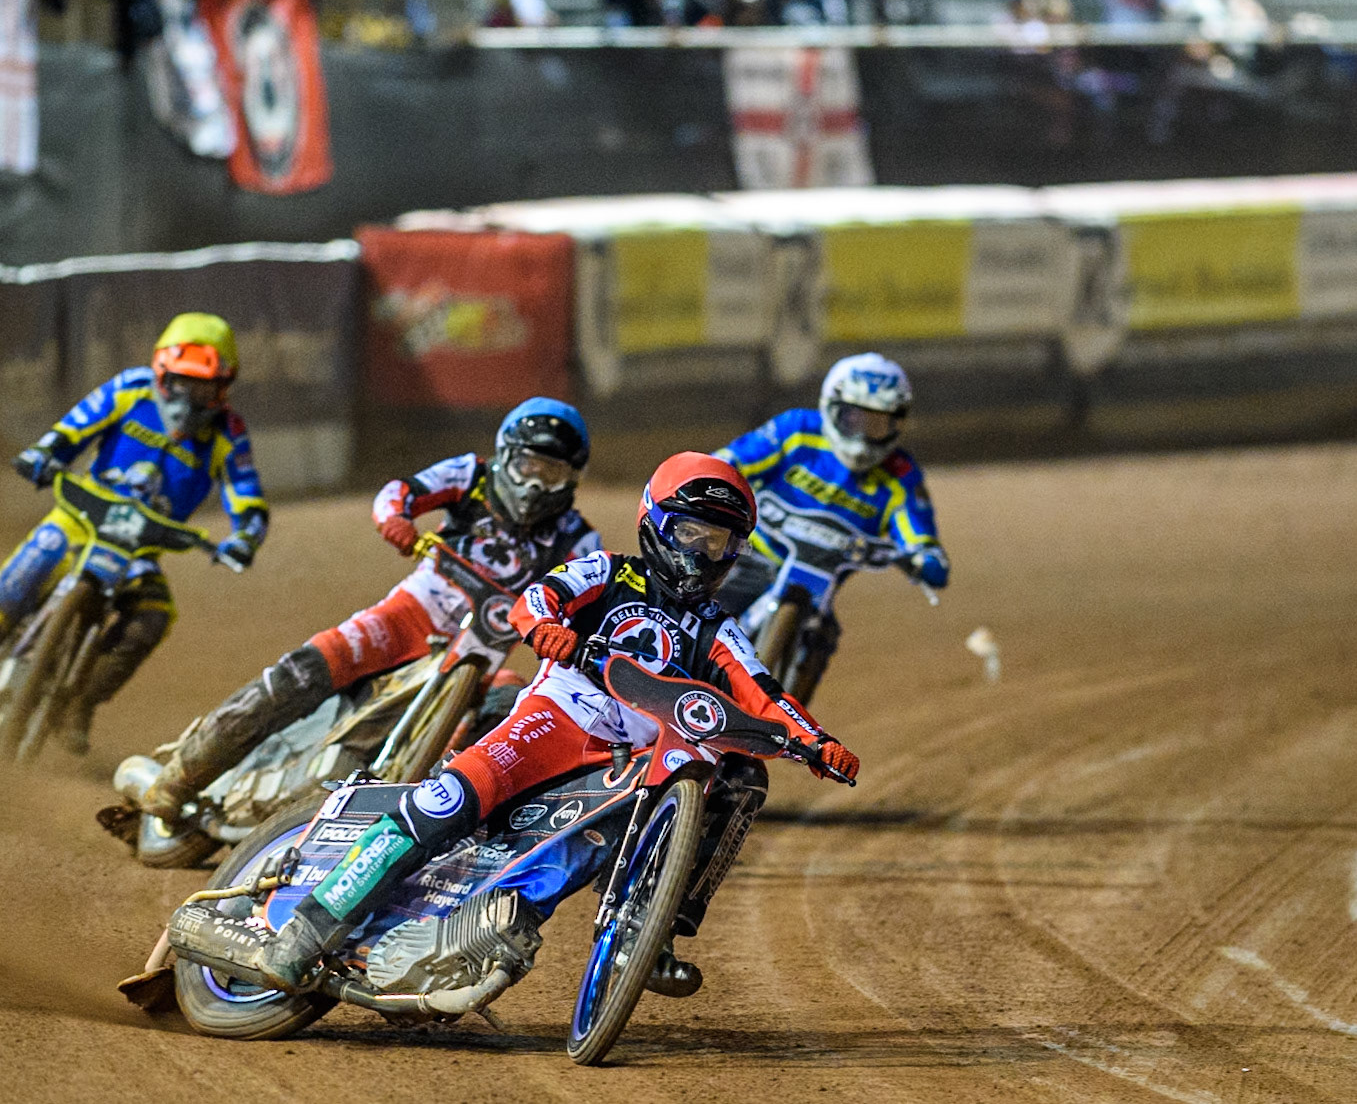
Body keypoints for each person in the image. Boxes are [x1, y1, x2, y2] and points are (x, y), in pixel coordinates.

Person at [222, 452, 858, 995]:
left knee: (589, 850)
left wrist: (817, 740)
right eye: (690, 533)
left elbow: (765, 691)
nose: (701, 553)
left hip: (626, 765)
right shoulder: (609, 571)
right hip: (555, 717)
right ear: (655, 524)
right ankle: (308, 927)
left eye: (716, 542)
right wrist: (547, 628)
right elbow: (537, 597)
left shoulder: (720, 627)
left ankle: (529, 936)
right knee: (447, 799)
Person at [137, 397, 600, 820]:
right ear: (504, 454)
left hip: (483, 657)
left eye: (552, 473)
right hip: (408, 616)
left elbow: (591, 611)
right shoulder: (469, 475)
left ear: (572, 478)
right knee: (303, 670)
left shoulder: (579, 540)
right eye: (528, 466)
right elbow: (398, 491)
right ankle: (179, 777)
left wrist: (569, 637)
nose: (536, 485)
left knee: (507, 707)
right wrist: (396, 520)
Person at [0, 313, 267, 754]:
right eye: (185, 384)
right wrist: (43, 455)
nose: (194, 400)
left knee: (154, 615)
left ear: (225, 387)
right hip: (76, 522)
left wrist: (245, 537)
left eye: (206, 388)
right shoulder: (130, 389)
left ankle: (78, 705)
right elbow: (74, 428)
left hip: (138, 549)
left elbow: (246, 494)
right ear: (163, 372)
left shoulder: (228, 432)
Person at [710, 353, 948, 685]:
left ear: (897, 423)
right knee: (701, 611)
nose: (863, 437)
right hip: (751, 557)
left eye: (876, 424)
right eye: (854, 420)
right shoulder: (797, 431)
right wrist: (711, 481)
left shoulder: (901, 475)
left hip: (819, 589)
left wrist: (926, 559)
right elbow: (729, 462)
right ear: (831, 406)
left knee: (823, 638)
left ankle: (788, 714)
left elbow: (919, 536)